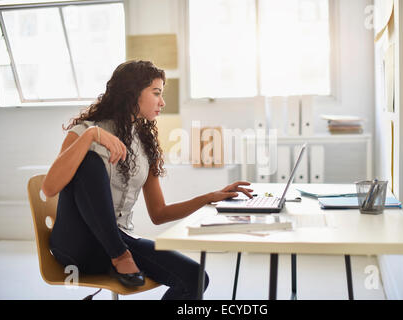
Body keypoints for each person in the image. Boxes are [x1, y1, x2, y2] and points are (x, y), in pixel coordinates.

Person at [42, 60, 253, 300]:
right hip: (76, 246)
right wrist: (92, 136)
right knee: (89, 162)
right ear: (132, 93)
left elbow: (159, 213)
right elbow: (49, 188)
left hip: (119, 240)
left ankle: (119, 251)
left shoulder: (145, 143)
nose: (162, 102)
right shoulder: (85, 131)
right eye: (157, 93)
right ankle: (119, 254)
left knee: (195, 278)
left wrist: (208, 198)